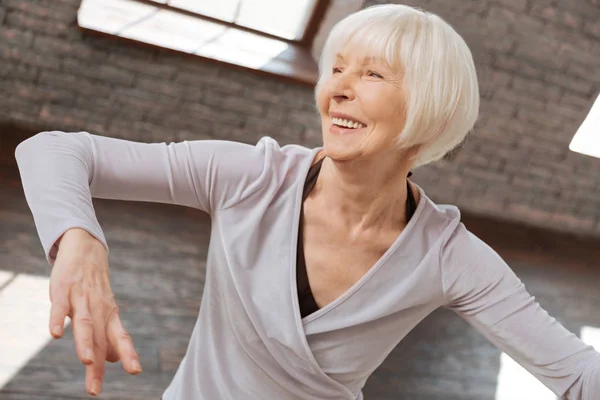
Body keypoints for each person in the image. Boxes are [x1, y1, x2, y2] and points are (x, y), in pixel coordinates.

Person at [14, 4, 600, 399]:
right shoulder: (251, 176)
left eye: (372, 74)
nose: (337, 88)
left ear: (428, 109)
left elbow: (577, 371)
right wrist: (79, 241)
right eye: (337, 67)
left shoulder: (447, 255)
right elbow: (53, 150)